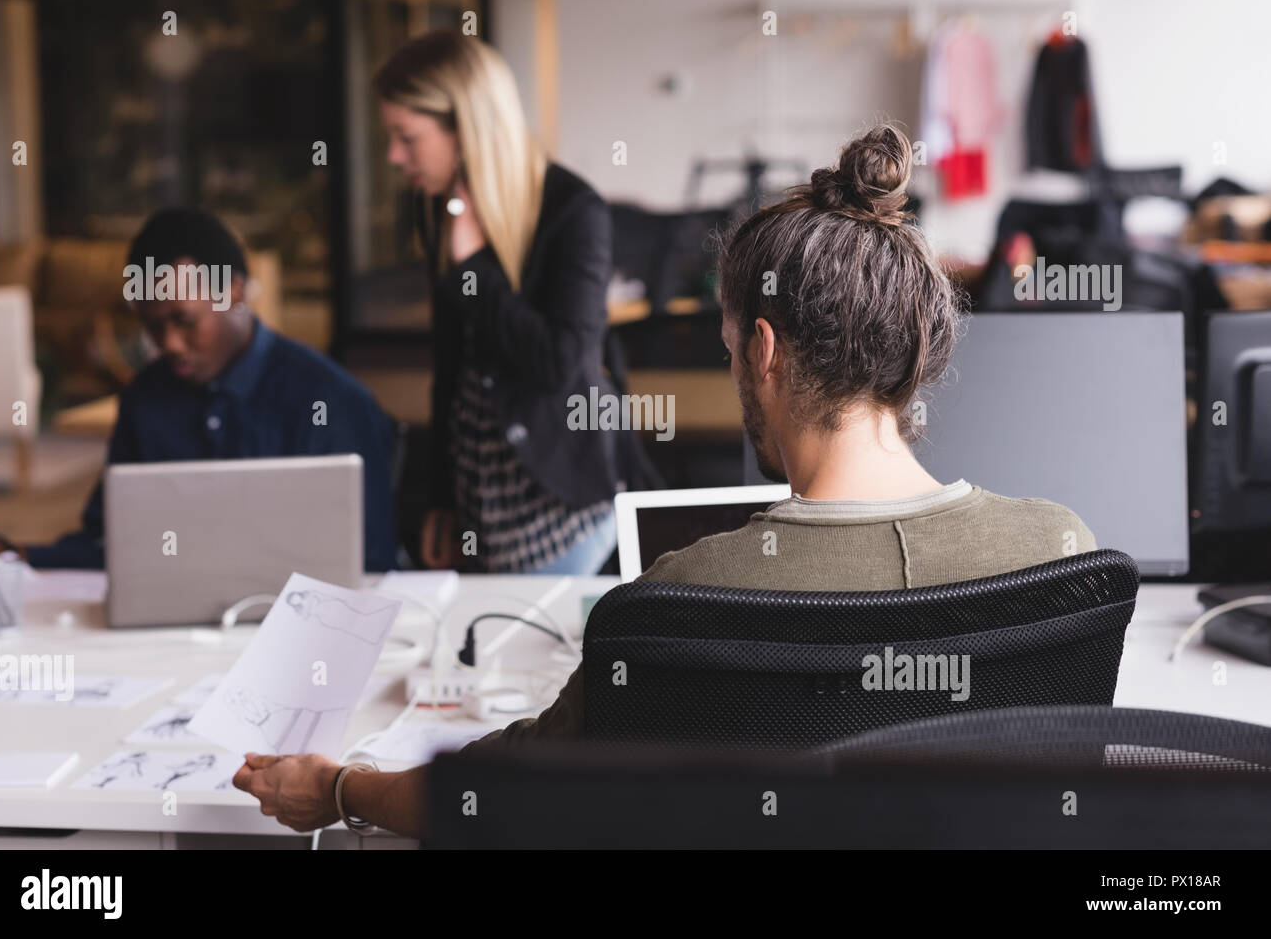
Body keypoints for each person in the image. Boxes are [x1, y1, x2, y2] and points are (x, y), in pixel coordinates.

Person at [233, 123, 1094, 838]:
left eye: (727, 354)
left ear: (762, 351)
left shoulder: (681, 602)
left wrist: (344, 787)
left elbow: (501, 791)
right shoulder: (1059, 555)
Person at [0, 207, 399, 572]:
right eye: (153, 327)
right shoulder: (146, 397)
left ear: (235, 292)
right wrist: (18, 556)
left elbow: (371, 560)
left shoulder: (331, 401)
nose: (170, 344)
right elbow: (109, 543)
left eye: (186, 321)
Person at [374, 29, 627, 575]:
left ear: (465, 129)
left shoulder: (574, 212)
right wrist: (441, 499)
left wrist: (474, 270)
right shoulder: (436, 210)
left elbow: (559, 362)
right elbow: (451, 368)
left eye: (407, 137)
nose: (395, 156)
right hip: (480, 506)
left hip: (559, 515)